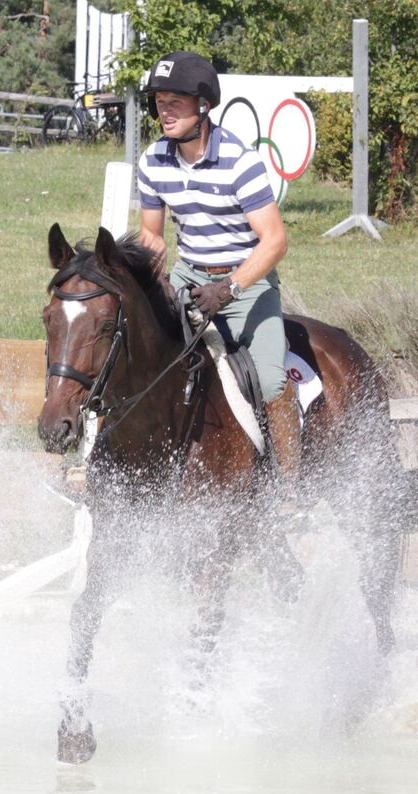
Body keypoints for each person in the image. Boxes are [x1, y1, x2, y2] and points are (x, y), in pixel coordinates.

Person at [138, 50, 301, 507]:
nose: (163, 110)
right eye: (158, 101)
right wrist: (152, 284)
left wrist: (228, 288)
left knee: (269, 380)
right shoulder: (153, 161)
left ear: (203, 106)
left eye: (175, 101)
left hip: (247, 285)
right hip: (189, 276)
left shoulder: (239, 161)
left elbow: (274, 241)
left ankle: (289, 491)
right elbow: (152, 236)